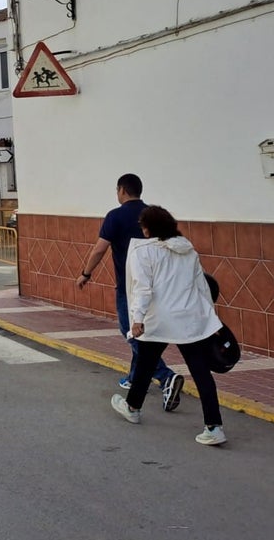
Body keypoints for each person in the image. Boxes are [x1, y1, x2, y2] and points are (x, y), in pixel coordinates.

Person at [110, 205, 227, 445]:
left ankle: (132, 408)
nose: (142, 230)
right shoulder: (189, 251)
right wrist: (210, 320)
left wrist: (138, 319)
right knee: (201, 372)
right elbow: (202, 287)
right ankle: (214, 427)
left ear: (149, 228)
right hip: (188, 318)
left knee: (145, 363)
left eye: (144, 226)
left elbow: (142, 288)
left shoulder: (144, 252)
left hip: (159, 319)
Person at [75, 173, 183, 409]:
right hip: (158, 285)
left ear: (122, 190)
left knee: (130, 330)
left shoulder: (115, 216)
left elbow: (99, 249)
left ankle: (165, 376)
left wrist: (86, 273)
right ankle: (134, 377)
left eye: (117, 190)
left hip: (130, 286)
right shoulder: (153, 214)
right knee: (142, 333)